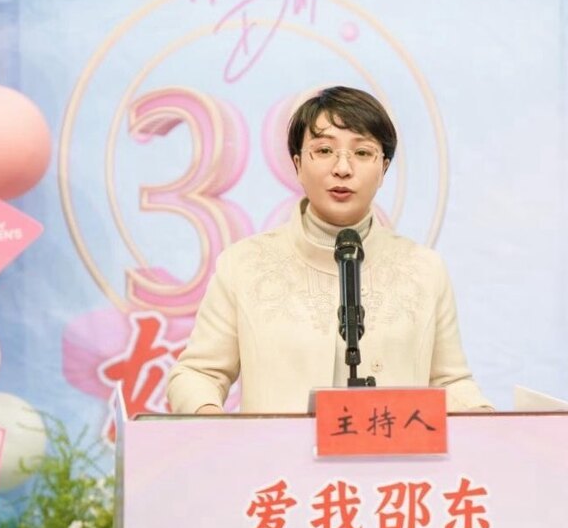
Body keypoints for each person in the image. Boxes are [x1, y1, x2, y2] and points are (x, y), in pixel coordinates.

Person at [166, 86, 491, 414]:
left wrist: (486, 419)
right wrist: (210, 419)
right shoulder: (243, 265)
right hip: (276, 449)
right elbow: (197, 374)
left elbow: (451, 382)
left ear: (383, 169)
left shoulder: (424, 268)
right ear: (298, 164)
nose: (343, 168)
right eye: (324, 150)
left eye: (362, 153)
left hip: (393, 448)